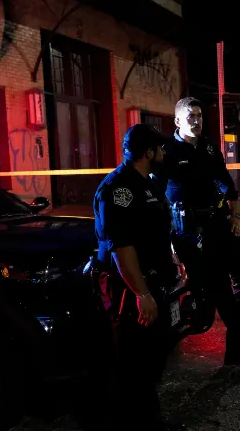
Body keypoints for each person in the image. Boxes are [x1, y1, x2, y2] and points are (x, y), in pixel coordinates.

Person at [159, 97, 240, 372]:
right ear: (178, 121)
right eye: (191, 116)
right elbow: (156, 198)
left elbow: (226, 182)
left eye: (200, 115)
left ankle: (238, 347)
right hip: (191, 234)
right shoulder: (166, 152)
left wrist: (236, 215)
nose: (197, 120)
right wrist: (168, 240)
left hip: (220, 223)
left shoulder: (209, 146)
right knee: (222, 293)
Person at [93, 124, 182, 431]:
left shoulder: (149, 183)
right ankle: (136, 422)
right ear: (149, 153)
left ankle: (146, 416)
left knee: (153, 355)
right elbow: (121, 248)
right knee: (133, 362)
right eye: (160, 149)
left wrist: (172, 260)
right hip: (130, 287)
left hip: (154, 280)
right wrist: (141, 293)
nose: (164, 154)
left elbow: (156, 231)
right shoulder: (118, 190)